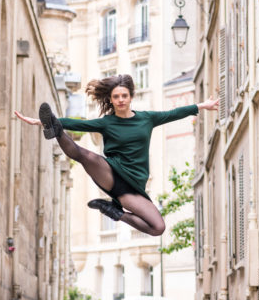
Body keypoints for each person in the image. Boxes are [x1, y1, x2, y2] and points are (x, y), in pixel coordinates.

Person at [15, 74, 219, 236]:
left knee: (158, 227)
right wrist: (41, 121)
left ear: (131, 97)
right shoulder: (106, 122)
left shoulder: (147, 119)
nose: (120, 100)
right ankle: (54, 129)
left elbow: (174, 113)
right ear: (110, 100)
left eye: (124, 96)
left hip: (133, 187)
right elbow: (78, 124)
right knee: (84, 156)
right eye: (116, 97)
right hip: (111, 173)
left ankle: (115, 212)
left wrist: (202, 106)